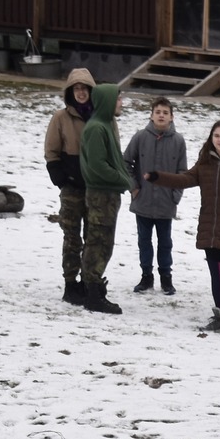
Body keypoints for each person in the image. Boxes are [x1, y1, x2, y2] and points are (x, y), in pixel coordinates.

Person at [146, 119, 220, 333]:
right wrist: (158, 177)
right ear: (211, 138)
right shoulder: (206, 162)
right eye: (217, 136)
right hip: (211, 230)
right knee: (217, 274)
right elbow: (185, 179)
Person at [41, 67, 97, 304]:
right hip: (71, 188)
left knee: (93, 237)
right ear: (70, 92)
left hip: (95, 188)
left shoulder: (101, 117)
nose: (81, 93)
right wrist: (61, 178)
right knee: (72, 236)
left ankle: (89, 281)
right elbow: (51, 150)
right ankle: (70, 283)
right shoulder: (60, 118)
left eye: (85, 88)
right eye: (77, 89)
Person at [76, 82, 132, 315]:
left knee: (104, 242)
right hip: (101, 194)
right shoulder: (97, 128)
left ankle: (95, 286)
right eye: (118, 99)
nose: (121, 103)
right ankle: (92, 292)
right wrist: (123, 179)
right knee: (98, 242)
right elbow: (98, 165)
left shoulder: (105, 125)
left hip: (108, 193)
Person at [124, 97, 187, 296]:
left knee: (165, 242)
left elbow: (182, 171)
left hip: (166, 203)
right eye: (158, 112)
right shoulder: (140, 137)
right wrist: (134, 188)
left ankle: (166, 278)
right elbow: (125, 163)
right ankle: (146, 276)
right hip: (143, 201)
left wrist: (175, 195)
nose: (161, 115)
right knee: (144, 241)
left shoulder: (178, 141)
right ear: (151, 115)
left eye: (165, 113)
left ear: (171, 117)